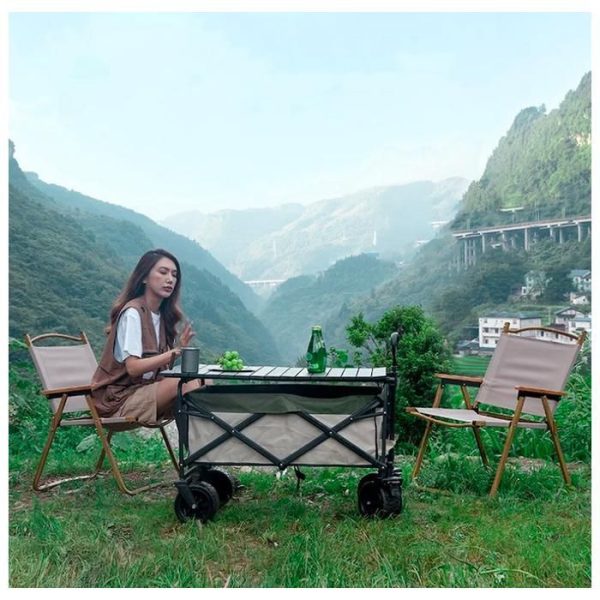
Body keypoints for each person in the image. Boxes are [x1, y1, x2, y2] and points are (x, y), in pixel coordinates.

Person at [91, 248, 200, 423]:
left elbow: (156, 369)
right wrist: (175, 352)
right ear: (144, 278)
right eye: (163, 272)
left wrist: (177, 348)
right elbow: (133, 368)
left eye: (174, 275)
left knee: (205, 381)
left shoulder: (163, 316)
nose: (170, 279)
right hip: (117, 402)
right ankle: (207, 440)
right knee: (187, 383)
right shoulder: (133, 313)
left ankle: (208, 439)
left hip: (144, 392)